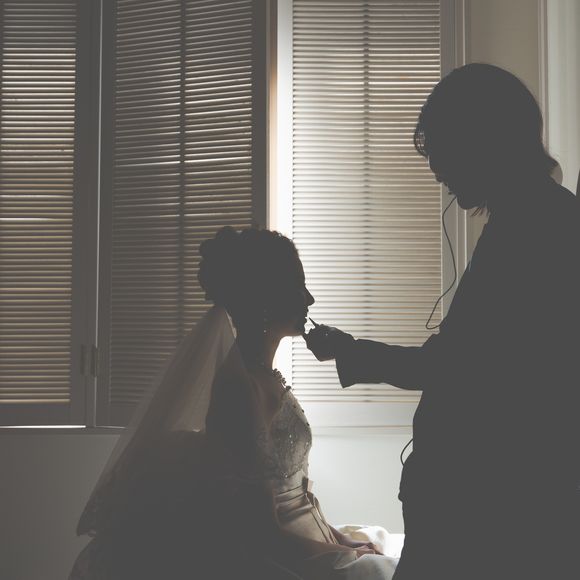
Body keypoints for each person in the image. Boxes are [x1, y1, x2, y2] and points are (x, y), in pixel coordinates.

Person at [304, 63, 580, 580]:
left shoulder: (531, 230)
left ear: (481, 142)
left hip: (484, 507)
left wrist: (352, 352)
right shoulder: (537, 217)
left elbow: (457, 366)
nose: (436, 171)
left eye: (442, 151)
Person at [69, 226, 398, 580]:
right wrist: (345, 553)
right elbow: (264, 535)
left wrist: (343, 540)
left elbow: (298, 495)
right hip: (286, 559)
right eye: (298, 287)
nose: (310, 299)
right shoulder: (238, 390)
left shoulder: (267, 376)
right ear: (268, 298)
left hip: (316, 541)